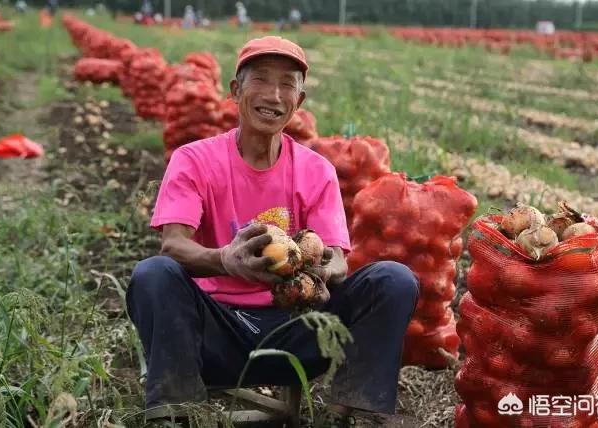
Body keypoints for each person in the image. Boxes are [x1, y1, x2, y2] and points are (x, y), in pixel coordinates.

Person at [127, 36, 419, 427]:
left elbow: (338, 259)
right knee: (153, 273)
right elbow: (173, 245)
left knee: (394, 279)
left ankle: (352, 413)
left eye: (287, 85)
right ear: (235, 91)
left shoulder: (317, 170)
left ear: (299, 101)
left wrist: (308, 266)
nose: (273, 95)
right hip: (215, 332)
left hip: (299, 328)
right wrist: (224, 260)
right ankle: (176, 412)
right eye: (260, 80)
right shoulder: (194, 160)